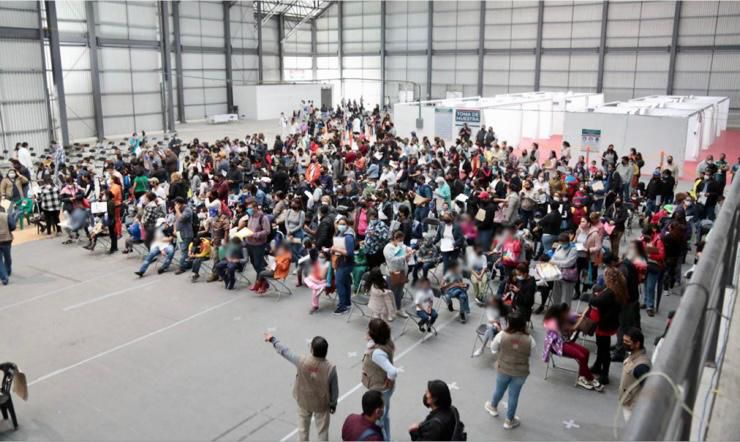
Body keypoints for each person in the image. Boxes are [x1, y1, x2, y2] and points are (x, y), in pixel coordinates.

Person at [264, 333, 338, 442]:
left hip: (304, 400)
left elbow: (286, 352)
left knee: (303, 429)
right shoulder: (330, 368)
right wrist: (333, 404)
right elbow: (334, 388)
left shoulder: (301, 361)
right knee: (322, 431)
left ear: (312, 350)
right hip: (321, 404)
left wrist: (273, 340)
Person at [484, 314, 535, 430]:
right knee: (514, 396)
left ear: (509, 323)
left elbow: (493, 348)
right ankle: (509, 420)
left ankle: (493, 407)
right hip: (521, 372)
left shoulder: (502, 335)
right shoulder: (530, 339)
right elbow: (531, 352)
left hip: (503, 368)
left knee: (499, 389)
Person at [542, 304, 603, 391]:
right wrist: (580, 319)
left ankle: (582, 377)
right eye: (566, 312)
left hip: (565, 342)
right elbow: (572, 328)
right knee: (581, 356)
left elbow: (575, 315)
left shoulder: (563, 316)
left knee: (586, 352)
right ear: (561, 313)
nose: (568, 313)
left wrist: (581, 315)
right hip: (556, 346)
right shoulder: (551, 322)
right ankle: (591, 378)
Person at [362, 319, 398, 441]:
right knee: (385, 415)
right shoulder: (386, 341)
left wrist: (389, 379)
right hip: (384, 389)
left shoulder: (377, 353)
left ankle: (384, 439)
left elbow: (392, 371)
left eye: (369, 330)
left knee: (379, 420)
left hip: (380, 389)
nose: (367, 331)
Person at [618, 328, 651, 421]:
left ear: (637, 344)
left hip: (632, 408)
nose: (624, 343)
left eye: (627, 342)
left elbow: (647, 387)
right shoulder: (633, 356)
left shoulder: (641, 366)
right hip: (628, 403)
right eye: (623, 340)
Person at [244, 199, 272, 293]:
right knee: (253, 263)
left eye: (250, 208)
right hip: (249, 243)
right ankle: (263, 282)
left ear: (255, 208)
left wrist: (255, 235)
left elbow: (267, 231)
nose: (248, 210)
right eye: (248, 208)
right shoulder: (250, 216)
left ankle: (262, 283)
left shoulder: (263, 218)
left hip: (258, 244)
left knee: (259, 264)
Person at [383, 231, 411, 318]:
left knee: (399, 292)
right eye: (400, 240)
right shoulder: (388, 248)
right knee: (390, 293)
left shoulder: (401, 246)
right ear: (394, 239)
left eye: (402, 240)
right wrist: (404, 256)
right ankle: (389, 312)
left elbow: (405, 247)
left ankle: (398, 309)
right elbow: (392, 259)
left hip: (402, 272)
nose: (401, 242)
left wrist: (409, 250)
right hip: (392, 273)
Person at [332, 216, 356, 315]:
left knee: (339, 284)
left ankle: (342, 306)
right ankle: (347, 303)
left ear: (347, 225)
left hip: (345, 263)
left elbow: (349, 252)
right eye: (339, 224)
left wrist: (336, 249)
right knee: (345, 283)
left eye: (343, 224)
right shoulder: (341, 234)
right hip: (342, 262)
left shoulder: (348, 237)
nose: (341, 226)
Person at [305, 249, 331, 314]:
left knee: (315, 292)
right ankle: (315, 305)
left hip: (323, 280)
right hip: (316, 279)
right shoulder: (318, 261)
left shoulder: (328, 264)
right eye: (319, 256)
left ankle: (315, 306)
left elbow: (326, 275)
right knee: (308, 280)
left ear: (326, 256)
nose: (320, 258)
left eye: (322, 256)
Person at [173, 197, 194, 274]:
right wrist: (174, 230)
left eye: (176, 204)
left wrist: (177, 210)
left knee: (184, 251)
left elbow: (182, 218)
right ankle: (188, 264)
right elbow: (176, 220)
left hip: (186, 234)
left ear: (179, 204)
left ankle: (181, 268)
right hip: (179, 234)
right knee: (183, 250)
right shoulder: (179, 211)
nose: (175, 205)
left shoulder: (187, 210)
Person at [0, 206, 17, 285]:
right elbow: (13, 226)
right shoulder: (6, 216)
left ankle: (4, 277)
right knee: (7, 256)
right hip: (6, 239)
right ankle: (8, 271)